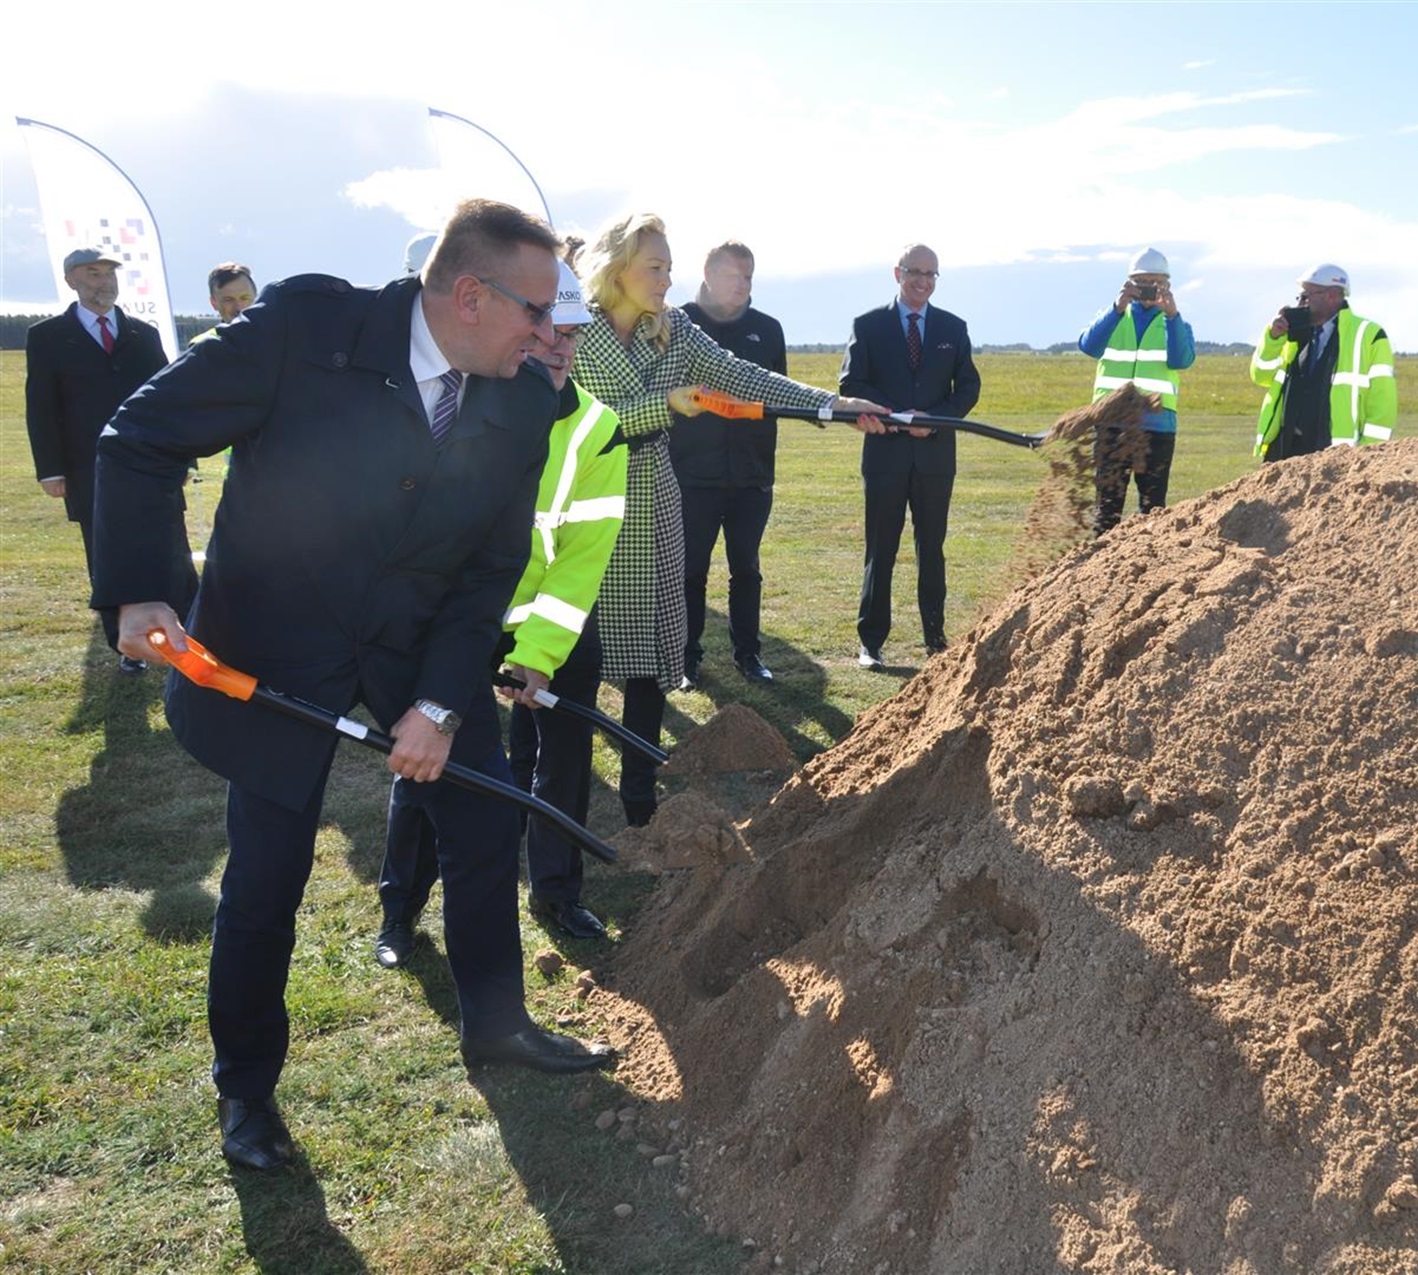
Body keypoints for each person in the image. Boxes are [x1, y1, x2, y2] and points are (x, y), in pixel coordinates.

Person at [92, 198, 615, 1175]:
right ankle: (245, 1089)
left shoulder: (522, 398)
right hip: (272, 645)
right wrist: (140, 591)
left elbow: (486, 572)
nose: (555, 335)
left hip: (417, 643)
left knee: (483, 819)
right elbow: (139, 439)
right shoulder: (304, 331)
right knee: (267, 875)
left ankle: (497, 1021)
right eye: (539, 312)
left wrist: (442, 706)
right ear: (469, 294)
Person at [569, 212, 885, 828]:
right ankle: (562, 798)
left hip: (654, 501)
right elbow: (575, 426)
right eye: (654, 266)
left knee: (647, 661)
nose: (667, 278)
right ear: (615, 269)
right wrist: (659, 406)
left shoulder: (674, 330)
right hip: (585, 505)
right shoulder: (573, 333)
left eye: (668, 265)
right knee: (572, 660)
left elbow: (741, 375)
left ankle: (639, 800)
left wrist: (831, 405)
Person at [375, 256, 628, 958]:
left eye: (570, 333)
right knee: (428, 762)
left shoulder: (597, 428)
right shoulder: (463, 405)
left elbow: (582, 559)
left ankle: (557, 891)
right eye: (543, 326)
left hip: (556, 624)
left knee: (563, 763)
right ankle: (400, 911)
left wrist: (537, 657)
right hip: (464, 624)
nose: (555, 345)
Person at [25, 247, 175, 672]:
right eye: (93, 274)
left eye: (109, 274)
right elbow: (41, 407)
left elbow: (169, 397)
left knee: (167, 550)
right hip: (87, 470)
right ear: (71, 279)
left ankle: (181, 631)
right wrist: (51, 469)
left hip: (149, 466)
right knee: (107, 554)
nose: (104, 282)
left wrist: (182, 459)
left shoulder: (142, 334)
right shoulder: (48, 336)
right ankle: (126, 646)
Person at [840, 243, 981, 668]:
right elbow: (851, 384)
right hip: (885, 456)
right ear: (897, 273)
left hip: (935, 459)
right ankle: (871, 642)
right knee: (880, 547)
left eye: (931, 274)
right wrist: (899, 417)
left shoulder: (954, 329)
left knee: (931, 547)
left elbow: (968, 388)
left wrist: (934, 419)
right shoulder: (868, 325)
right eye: (915, 272)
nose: (923, 280)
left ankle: (935, 639)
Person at [672, 241, 787, 686]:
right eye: (735, 276)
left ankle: (749, 654)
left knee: (747, 568)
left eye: (749, 277)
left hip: (751, 475)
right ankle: (686, 658)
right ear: (708, 275)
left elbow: (777, 394)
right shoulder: (679, 324)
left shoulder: (768, 329)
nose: (743, 285)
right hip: (691, 475)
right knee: (690, 570)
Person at [1076, 247, 1195, 533]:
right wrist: (1116, 309)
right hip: (1112, 423)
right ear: (1129, 283)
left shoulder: (1176, 323)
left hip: (1158, 427)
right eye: (1142, 283)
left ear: (1166, 285)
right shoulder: (1114, 318)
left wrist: (1172, 316)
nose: (1148, 289)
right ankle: (1100, 567)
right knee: (1107, 506)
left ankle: (1150, 566)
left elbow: (1181, 359)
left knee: (1153, 507)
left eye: (1155, 283)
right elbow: (1088, 346)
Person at [1252, 264, 1397, 462]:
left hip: (1338, 460)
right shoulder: (1292, 335)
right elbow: (1261, 375)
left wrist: (1367, 457)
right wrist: (1274, 338)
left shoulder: (1369, 335)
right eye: (1300, 297)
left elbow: (1382, 405)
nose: (1301, 303)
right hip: (1286, 452)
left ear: (1332, 296)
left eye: (1307, 296)